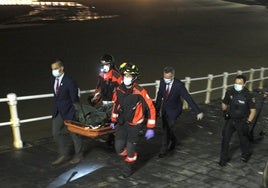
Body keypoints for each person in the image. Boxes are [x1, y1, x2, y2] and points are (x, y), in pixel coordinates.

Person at [110, 62, 156, 178]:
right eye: (125, 75)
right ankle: (128, 153)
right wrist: (113, 119)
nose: (126, 78)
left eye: (129, 76)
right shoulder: (119, 89)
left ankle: (127, 169)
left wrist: (150, 127)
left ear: (134, 77)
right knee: (118, 148)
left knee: (130, 151)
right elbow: (116, 105)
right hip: (121, 123)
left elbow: (151, 108)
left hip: (134, 126)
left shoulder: (140, 91)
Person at [155, 66, 204, 158]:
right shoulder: (162, 82)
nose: (166, 80)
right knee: (166, 128)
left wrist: (198, 111)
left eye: (168, 78)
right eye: (164, 77)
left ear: (173, 77)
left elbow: (188, 98)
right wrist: (156, 110)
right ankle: (174, 140)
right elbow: (159, 96)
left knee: (166, 130)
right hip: (165, 109)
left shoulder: (179, 85)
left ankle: (163, 150)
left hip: (174, 110)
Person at [51, 59, 84, 165]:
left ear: (62, 68)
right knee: (56, 132)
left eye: (56, 68)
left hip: (70, 111)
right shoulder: (53, 81)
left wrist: (76, 111)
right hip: (58, 111)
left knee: (75, 135)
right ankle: (63, 154)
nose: (54, 71)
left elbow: (74, 98)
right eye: (52, 69)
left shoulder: (70, 81)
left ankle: (79, 155)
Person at [219, 74, 256, 167]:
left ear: (244, 84)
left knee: (243, 140)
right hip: (231, 120)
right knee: (225, 139)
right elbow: (224, 103)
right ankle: (223, 159)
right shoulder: (230, 92)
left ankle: (246, 155)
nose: (237, 85)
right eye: (236, 83)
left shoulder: (248, 95)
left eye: (239, 83)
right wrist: (225, 112)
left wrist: (248, 122)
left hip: (242, 121)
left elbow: (253, 111)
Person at [90, 54, 123, 146]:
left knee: (114, 121)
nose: (104, 66)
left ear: (111, 64)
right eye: (102, 64)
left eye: (106, 64)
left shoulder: (117, 76)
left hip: (113, 102)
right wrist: (94, 97)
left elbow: (121, 90)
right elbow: (98, 88)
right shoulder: (101, 74)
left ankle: (117, 140)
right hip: (105, 101)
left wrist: (118, 103)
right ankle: (111, 138)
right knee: (107, 121)